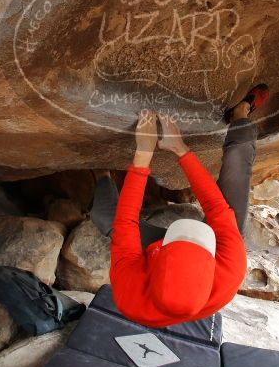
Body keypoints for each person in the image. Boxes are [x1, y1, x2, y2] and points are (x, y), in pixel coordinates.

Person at [90, 85, 268, 328]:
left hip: (170, 260)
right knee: (238, 169)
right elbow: (216, 208)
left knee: (104, 215)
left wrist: (143, 154)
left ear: (158, 253)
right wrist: (180, 149)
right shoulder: (230, 271)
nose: (188, 227)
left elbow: (126, 222)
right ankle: (241, 113)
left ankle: (101, 175)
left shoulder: (130, 293)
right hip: (216, 247)